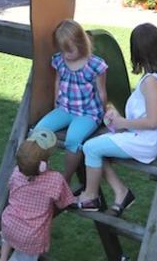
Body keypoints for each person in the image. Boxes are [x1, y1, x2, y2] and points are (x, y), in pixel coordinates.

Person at [73, 23, 157, 214]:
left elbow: (154, 121)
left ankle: (90, 197)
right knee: (94, 145)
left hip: (146, 142)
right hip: (141, 136)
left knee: (90, 147)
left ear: (136, 51)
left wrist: (122, 123)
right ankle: (121, 192)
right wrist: (119, 119)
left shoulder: (152, 82)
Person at [33, 19, 108, 186]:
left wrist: (103, 114)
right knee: (38, 132)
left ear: (81, 44)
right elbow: (58, 82)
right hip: (65, 108)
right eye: (62, 50)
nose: (65, 54)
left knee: (73, 139)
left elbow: (102, 92)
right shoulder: (60, 60)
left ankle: (65, 179)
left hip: (88, 113)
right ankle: (42, 172)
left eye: (69, 50)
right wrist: (55, 103)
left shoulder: (95, 65)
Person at [0, 129, 75, 261]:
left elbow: (10, 186)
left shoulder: (17, 172)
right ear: (43, 165)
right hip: (32, 235)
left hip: (9, 223)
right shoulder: (55, 179)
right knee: (23, 257)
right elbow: (63, 202)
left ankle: (3, 258)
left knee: (9, 235)